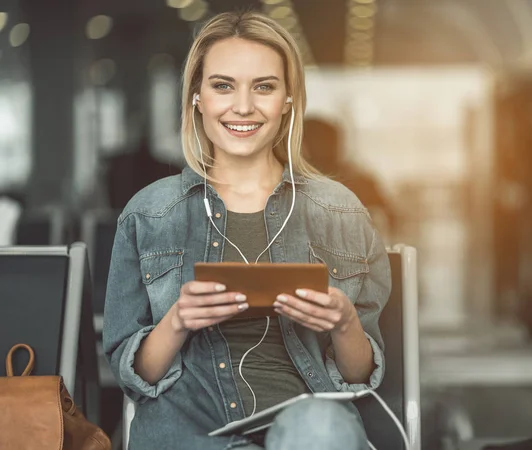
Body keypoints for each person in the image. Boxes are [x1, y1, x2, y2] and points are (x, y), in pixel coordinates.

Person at [103, 11, 391, 450]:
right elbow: (135, 375)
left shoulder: (340, 212)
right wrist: (178, 320)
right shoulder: (149, 214)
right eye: (222, 86)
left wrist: (346, 323)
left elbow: (358, 377)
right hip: (190, 429)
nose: (242, 106)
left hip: (307, 430)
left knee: (320, 431)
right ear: (197, 97)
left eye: (264, 86)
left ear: (288, 99)